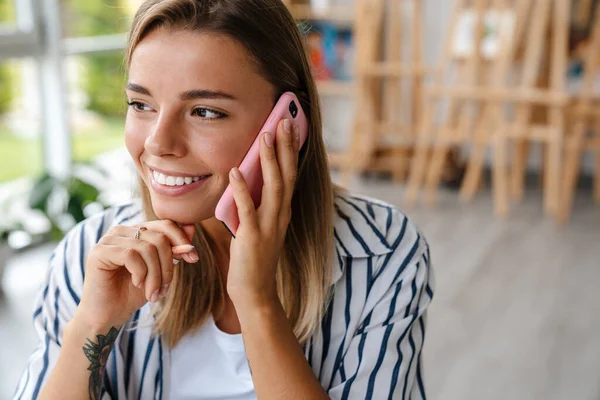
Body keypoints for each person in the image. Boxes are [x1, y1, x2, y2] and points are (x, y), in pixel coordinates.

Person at [13, 0, 434, 399]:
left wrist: (257, 301)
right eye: (141, 104)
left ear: (289, 124)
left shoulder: (378, 252)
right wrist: (92, 323)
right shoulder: (91, 256)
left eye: (205, 112)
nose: (158, 143)